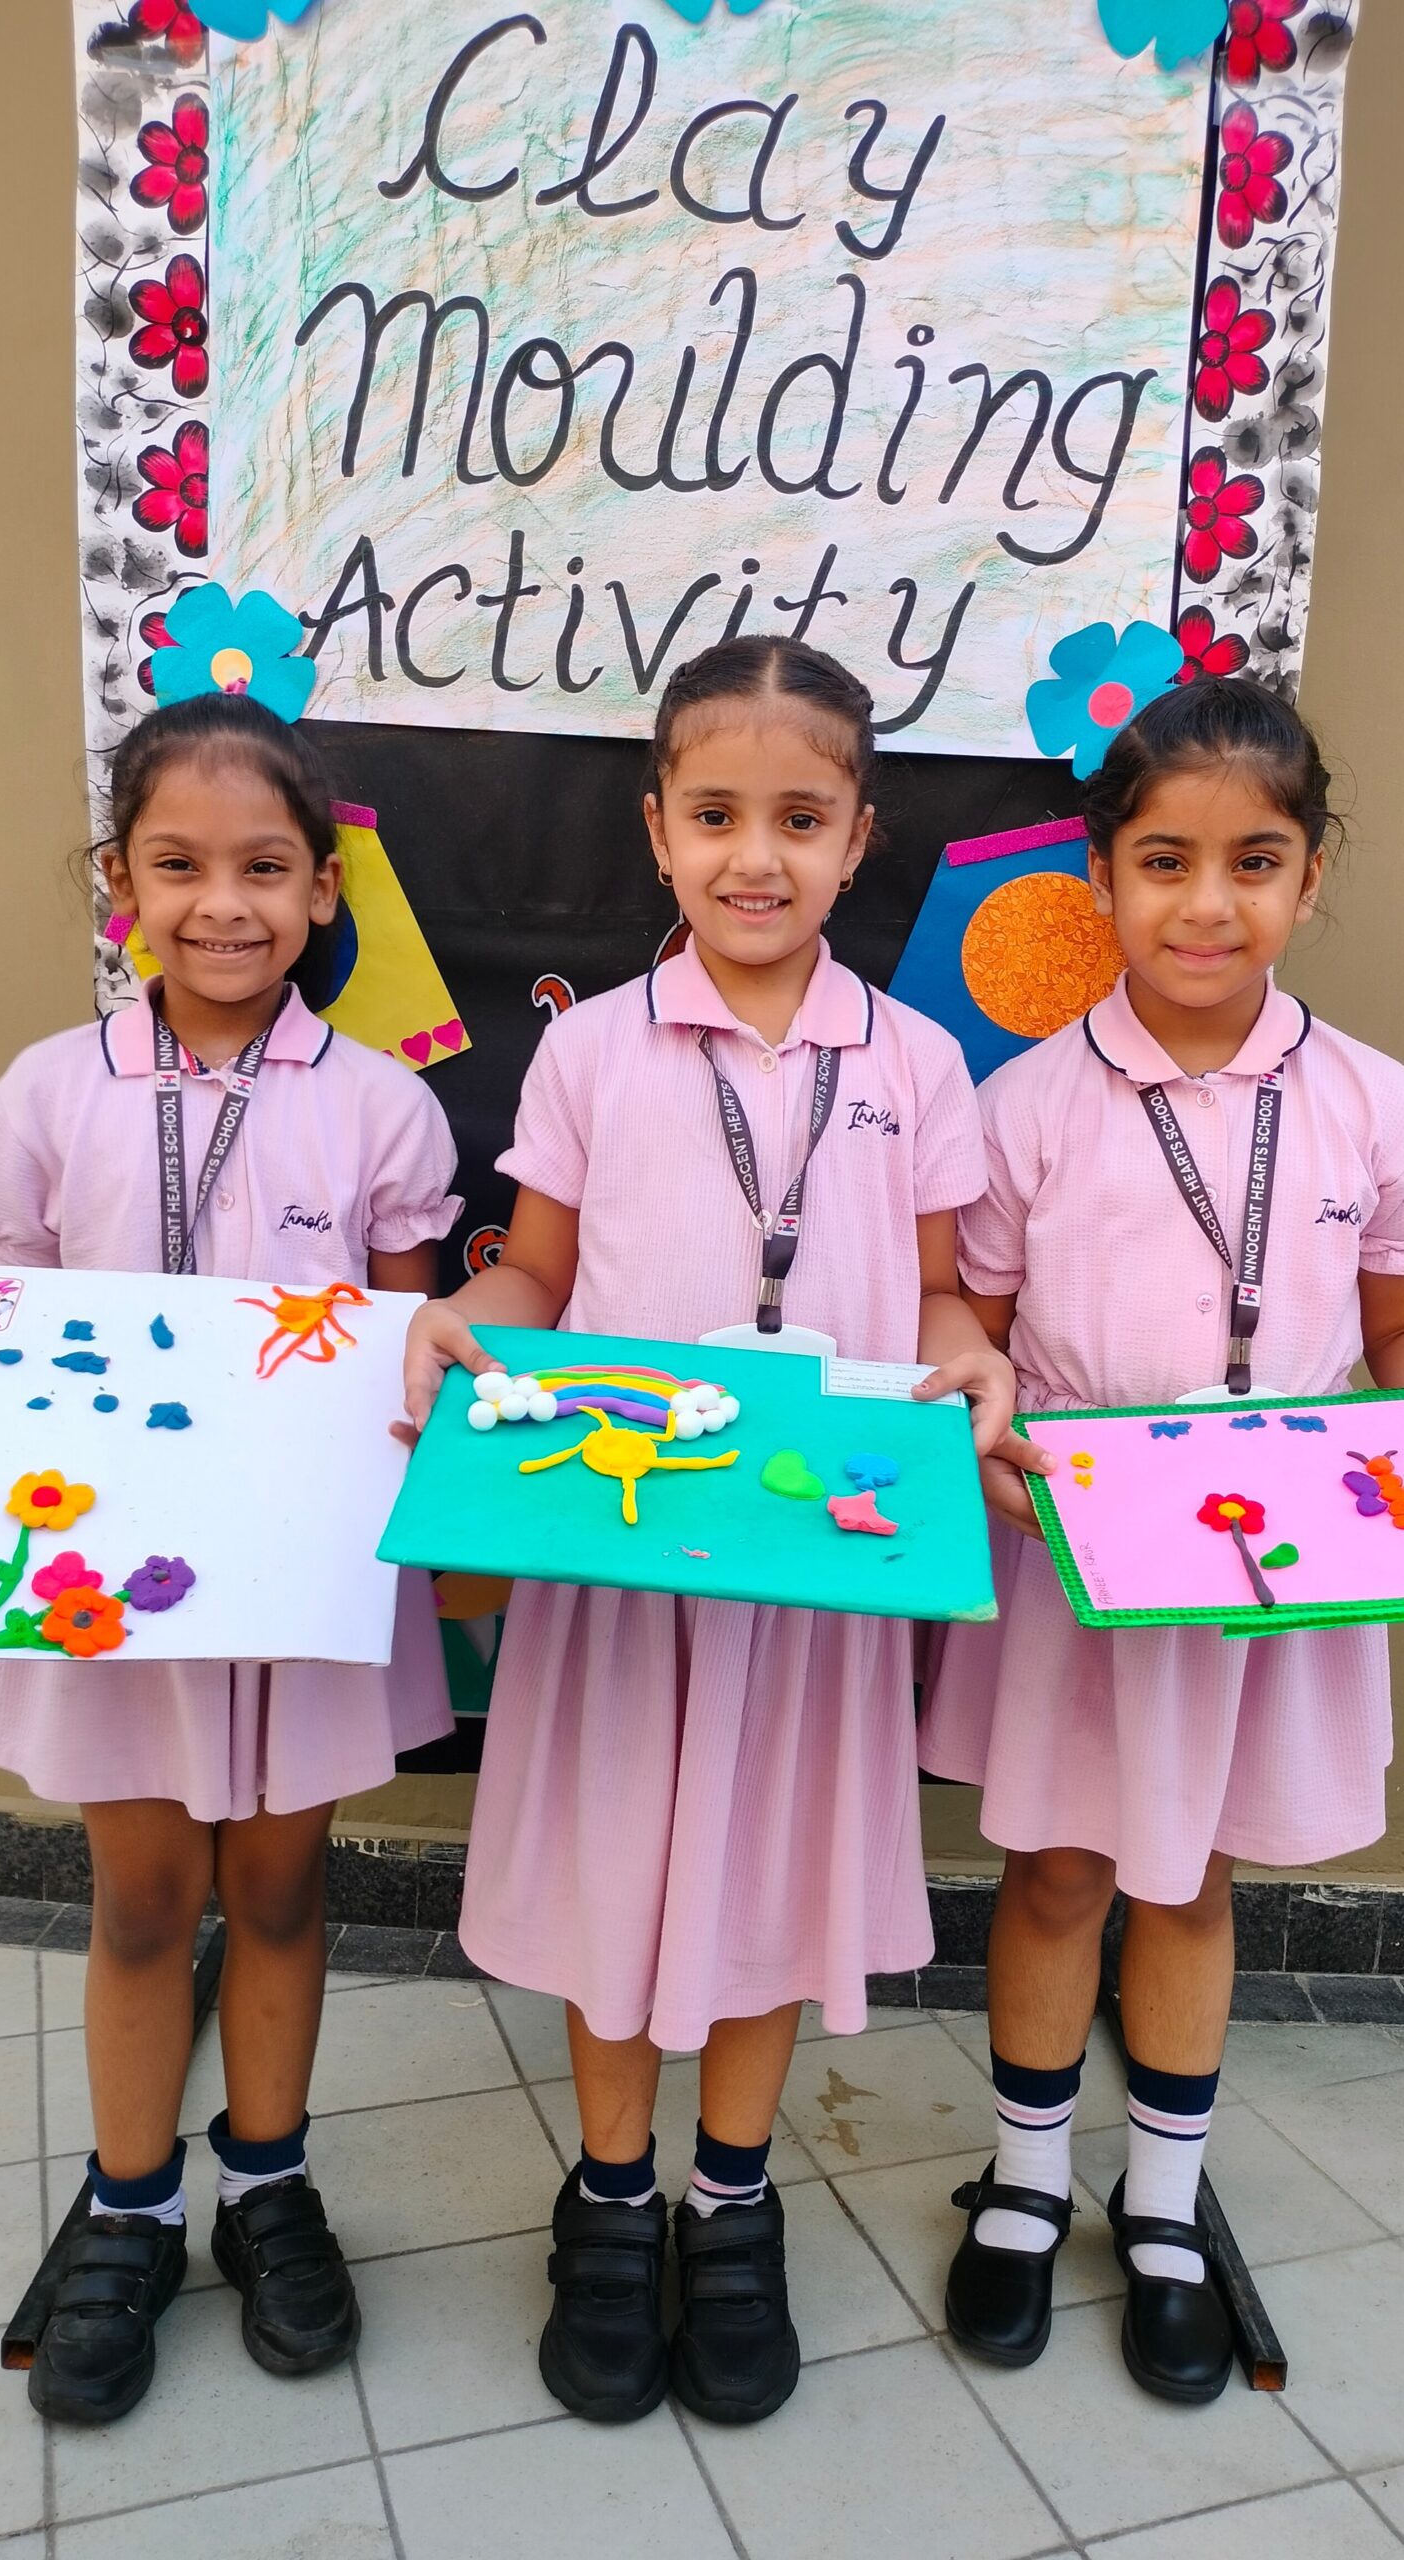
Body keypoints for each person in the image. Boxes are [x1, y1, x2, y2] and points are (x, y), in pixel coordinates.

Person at [399, 634, 1028, 2426]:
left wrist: (973, 1361)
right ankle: (613, 2197)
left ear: (861, 837)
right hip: (619, 1560)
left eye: (802, 819)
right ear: (658, 828)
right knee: (617, 1867)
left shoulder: (918, 1061)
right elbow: (535, 1269)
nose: (758, 856)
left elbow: (939, 1297)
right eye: (718, 815)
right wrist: (461, 1325)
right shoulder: (593, 1050)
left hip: (813, 1577)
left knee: (769, 1871)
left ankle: (732, 2200)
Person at [0, 695, 459, 2424]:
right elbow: (12, 1329)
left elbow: (406, 1345)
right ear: (122, 884)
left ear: (323, 890)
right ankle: (130, 2207)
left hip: (300, 1581)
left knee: (281, 1890)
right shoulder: (49, 1090)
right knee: (138, 1902)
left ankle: (266, 2180)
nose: (222, 905)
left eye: (263, 869)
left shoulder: (383, 1108)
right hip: (115, 1587)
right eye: (177, 866)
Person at [921, 675, 1404, 2404]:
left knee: (1193, 1877)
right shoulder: (1029, 1104)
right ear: (1104, 878)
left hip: (1278, 1570)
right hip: (1080, 1555)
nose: (1209, 904)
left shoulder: (1371, 1099)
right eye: (1166, 861)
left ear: (1311, 875)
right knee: (1059, 1869)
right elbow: (962, 1314)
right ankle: (1027, 2181)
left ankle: (1170, 2205)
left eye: (1254, 862)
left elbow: (1390, 1330)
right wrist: (976, 1386)